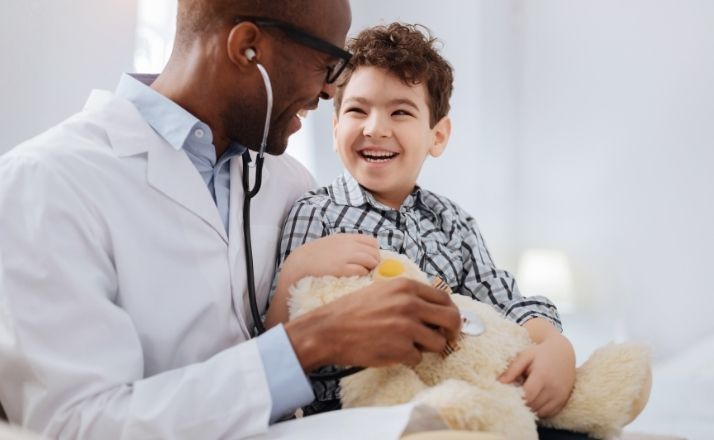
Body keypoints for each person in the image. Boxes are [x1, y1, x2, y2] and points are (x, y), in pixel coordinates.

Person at [0, 2, 464, 438]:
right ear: (248, 48)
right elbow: (76, 425)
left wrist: (536, 335)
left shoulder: (289, 183)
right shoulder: (45, 182)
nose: (329, 90)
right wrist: (307, 343)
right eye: (329, 63)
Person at [265, 23, 578, 428]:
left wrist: (555, 344)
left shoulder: (453, 222)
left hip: (458, 399)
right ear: (335, 128)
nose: (375, 128)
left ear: (438, 136)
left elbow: (506, 302)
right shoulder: (316, 213)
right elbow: (277, 348)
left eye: (400, 112)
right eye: (358, 110)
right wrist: (296, 271)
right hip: (354, 414)